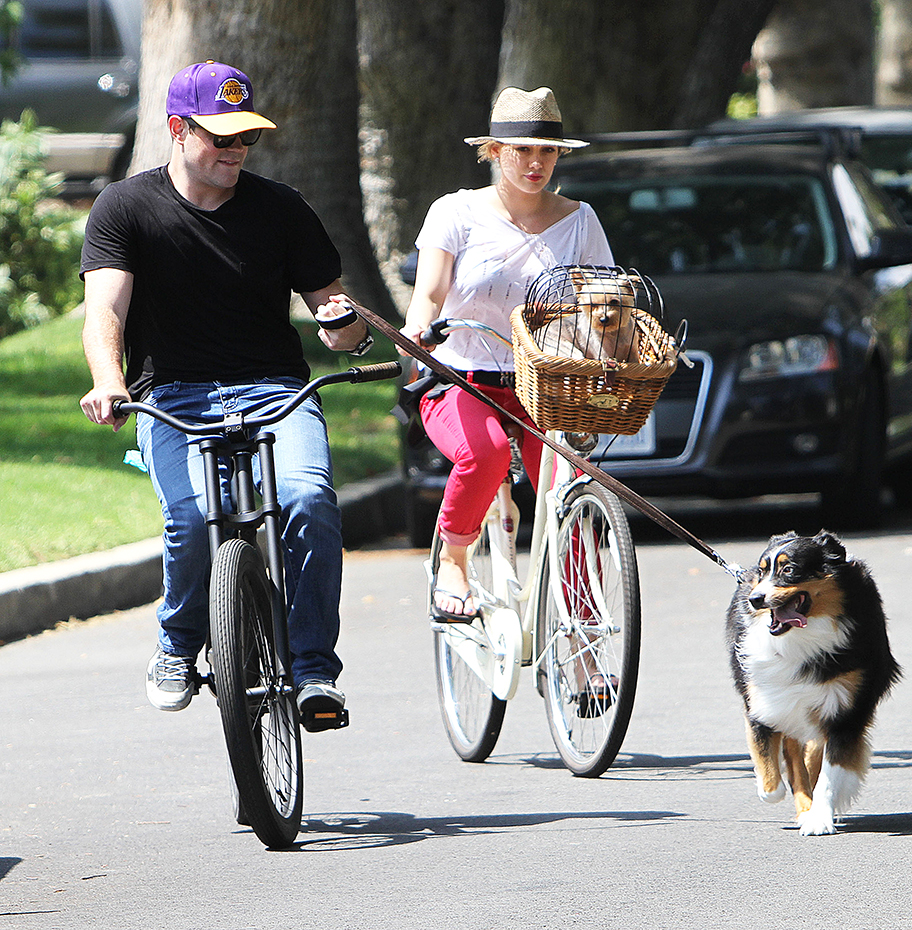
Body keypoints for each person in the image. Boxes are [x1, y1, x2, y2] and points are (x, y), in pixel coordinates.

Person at [79, 61, 373, 727]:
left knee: (310, 499)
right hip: (173, 396)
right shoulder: (125, 208)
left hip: (276, 390)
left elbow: (336, 314)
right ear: (178, 130)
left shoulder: (281, 208)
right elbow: (106, 314)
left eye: (246, 138)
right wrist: (108, 380)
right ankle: (178, 645)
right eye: (221, 137)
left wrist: (345, 326)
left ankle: (313, 671)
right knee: (189, 518)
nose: (235, 150)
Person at [400, 85, 613, 621]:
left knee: (567, 492)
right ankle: (454, 559)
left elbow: (605, 300)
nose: (536, 162)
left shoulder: (580, 221)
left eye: (547, 150)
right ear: (494, 151)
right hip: (462, 379)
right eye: (522, 150)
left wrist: (613, 342)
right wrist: (419, 326)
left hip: (545, 384)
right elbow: (428, 292)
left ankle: (582, 633)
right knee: (487, 454)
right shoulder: (457, 212)